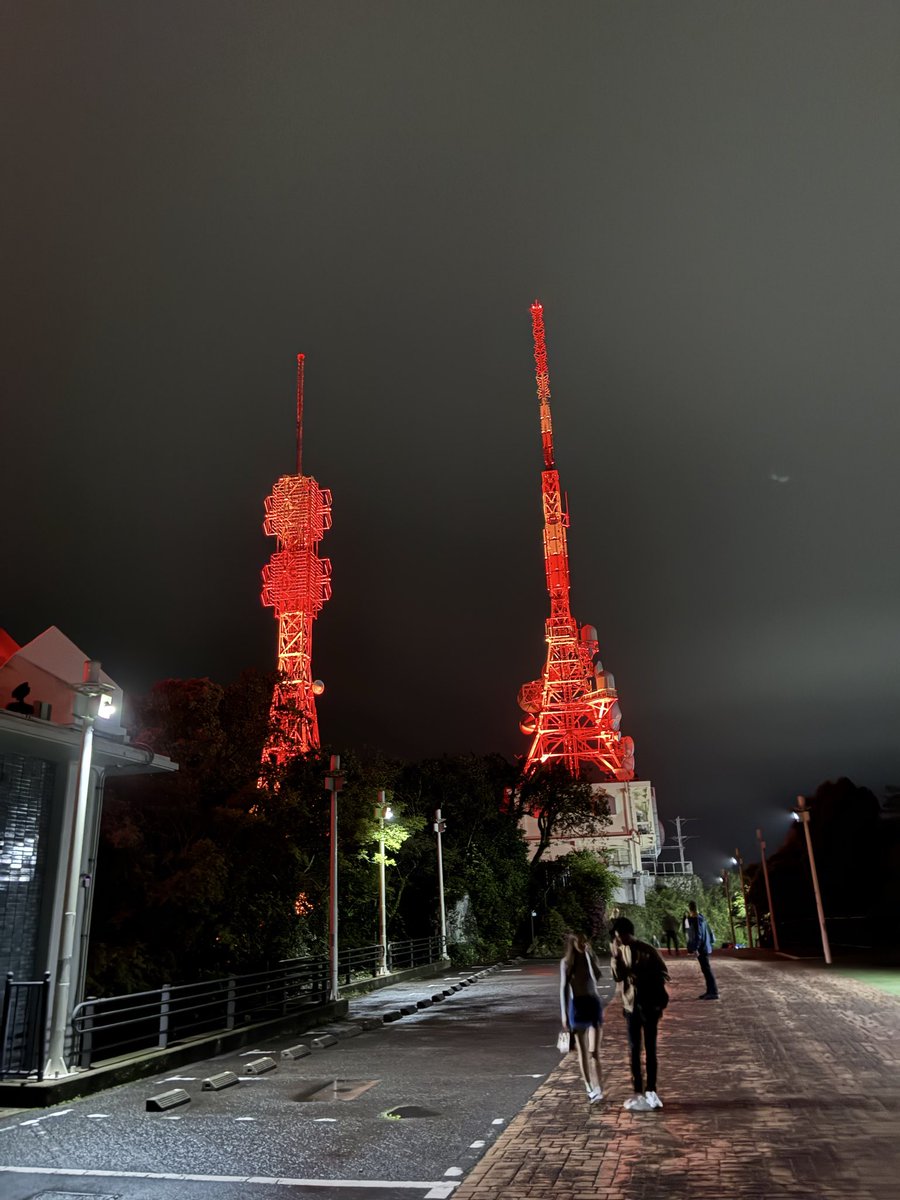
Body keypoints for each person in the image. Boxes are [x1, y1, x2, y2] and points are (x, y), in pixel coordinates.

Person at [610, 916, 669, 1112]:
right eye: (617, 937)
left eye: (620, 936)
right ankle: (637, 1089)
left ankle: (651, 1088)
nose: (619, 940)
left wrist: (642, 977)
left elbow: (663, 973)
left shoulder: (647, 950)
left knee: (650, 1049)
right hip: (630, 1006)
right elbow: (618, 977)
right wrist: (615, 958)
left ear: (628, 933)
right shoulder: (620, 952)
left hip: (650, 1005)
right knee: (634, 1049)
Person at [559, 932, 604, 1103]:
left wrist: (589, 954)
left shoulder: (587, 957)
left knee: (594, 1051)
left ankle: (598, 1086)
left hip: (593, 1003)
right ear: (573, 942)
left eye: (585, 940)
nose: (583, 943)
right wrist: (564, 1013)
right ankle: (589, 1087)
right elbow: (563, 989)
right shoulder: (566, 963)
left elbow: (597, 977)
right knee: (583, 1051)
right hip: (577, 1006)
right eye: (580, 941)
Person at [686, 900, 719, 999]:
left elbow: (698, 935)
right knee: (706, 970)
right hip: (705, 947)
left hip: (702, 948)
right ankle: (710, 991)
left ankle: (713, 992)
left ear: (690, 909)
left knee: (707, 970)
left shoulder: (696, 919)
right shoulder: (701, 917)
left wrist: (695, 948)